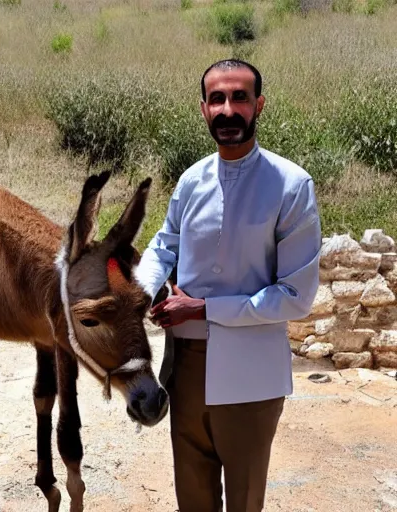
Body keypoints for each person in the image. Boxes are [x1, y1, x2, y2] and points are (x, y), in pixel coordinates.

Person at [134, 59, 322, 512]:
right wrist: (138, 293)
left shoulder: (291, 186)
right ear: (203, 109)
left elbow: (296, 297)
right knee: (192, 499)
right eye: (216, 99)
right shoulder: (191, 180)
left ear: (259, 105)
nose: (227, 109)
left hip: (251, 376)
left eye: (239, 97)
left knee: (243, 501)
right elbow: (164, 246)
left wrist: (201, 309)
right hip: (185, 370)